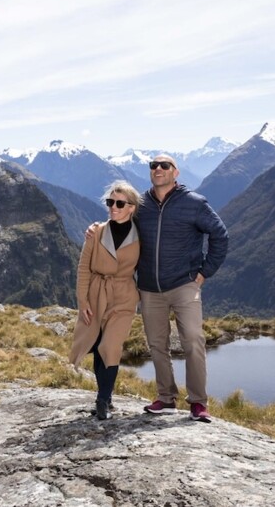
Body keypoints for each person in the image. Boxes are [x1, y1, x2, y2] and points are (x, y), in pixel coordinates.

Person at [90, 155, 228, 422]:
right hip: (150, 288)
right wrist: (95, 229)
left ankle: (198, 403)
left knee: (193, 341)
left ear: (175, 172)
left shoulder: (194, 204)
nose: (158, 169)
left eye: (165, 166)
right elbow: (119, 221)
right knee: (157, 345)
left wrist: (204, 273)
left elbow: (220, 234)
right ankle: (166, 398)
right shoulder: (141, 204)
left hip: (184, 284)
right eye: (153, 165)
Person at [70, 180, 142, 420]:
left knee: (110, 345)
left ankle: (102, 401)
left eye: (120, 203)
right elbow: (83, 269)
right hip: (96, 293)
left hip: (124, 296)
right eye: (110, 202)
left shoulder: (141, 234)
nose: (113, 207)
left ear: (131, 207)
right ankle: (106, 397)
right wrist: (83, 302)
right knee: (98, 345)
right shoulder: (96, 232)